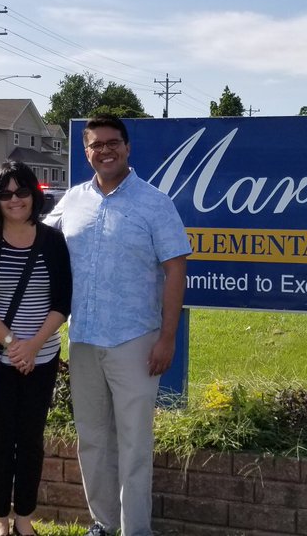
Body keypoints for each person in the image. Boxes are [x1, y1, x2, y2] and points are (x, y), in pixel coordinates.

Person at [43, 115, 191, 536]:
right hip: (84, 339)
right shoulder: (71, 200)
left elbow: (175, 272)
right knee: (92, 439)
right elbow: (34, 238)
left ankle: (135, 530)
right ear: (86, 151)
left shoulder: (154, 203)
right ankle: (104, 524)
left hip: (136, 341)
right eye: (95, 145)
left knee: (134, 445)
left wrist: (167, 338)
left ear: (127, 148)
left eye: (112, 143)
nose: (104, 150)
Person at [0, 162, 72, 536]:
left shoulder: (51, 240)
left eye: (22, 191)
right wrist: (12, 344)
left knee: (30, 440)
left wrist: (33, 346)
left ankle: (24, 518)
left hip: (40, 359)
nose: (14, 200)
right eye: (5, 193)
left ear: (33, 195)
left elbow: (62, 300)